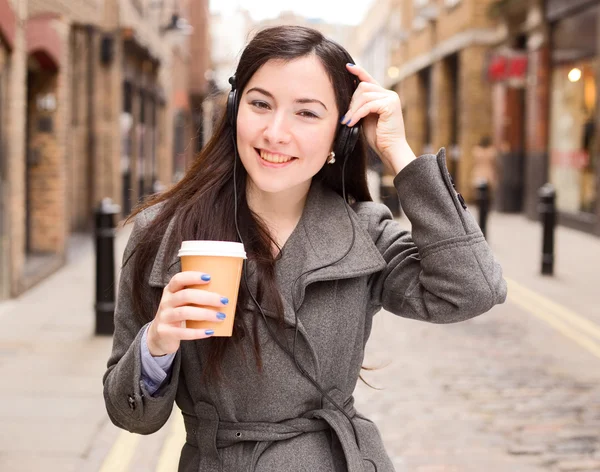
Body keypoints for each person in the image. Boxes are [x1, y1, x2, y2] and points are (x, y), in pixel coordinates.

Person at [103, 25, 507, 472]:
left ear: (342, 132)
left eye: (307, 114)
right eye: (260, 104)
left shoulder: (364, 232)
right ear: (235, 109)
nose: (276, 133)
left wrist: (398, 152)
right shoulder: (162, 234)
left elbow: (472, 289)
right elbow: (131, 415)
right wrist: (157, 345)